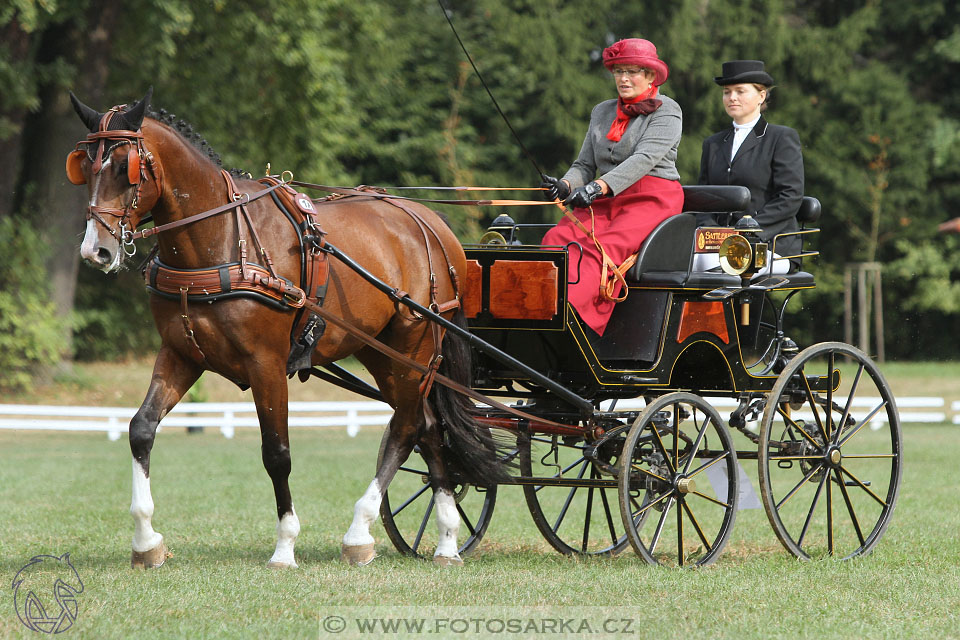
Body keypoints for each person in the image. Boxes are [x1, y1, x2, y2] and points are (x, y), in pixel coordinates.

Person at [540, 38, 684, 337]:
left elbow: (644, 160)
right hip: (605, 198)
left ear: (650, 77)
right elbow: (583, 165)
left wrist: (596, 189)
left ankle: (577, 324)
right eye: (618, 71)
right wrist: (565, 186)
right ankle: (541, 311)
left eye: (632, 71)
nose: (624, 78)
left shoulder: (668, 111)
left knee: (598, 249)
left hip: (650, 198)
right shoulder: (602, 112)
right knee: (556, 238)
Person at [697, 60, 804, 273]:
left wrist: (746, 232)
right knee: (687, 268)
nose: (732, 98)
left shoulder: (781, 138)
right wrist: (714, 234)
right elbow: (703, 198)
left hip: (770, 242)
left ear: (761, 96)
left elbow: (790, 196)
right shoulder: (713, 144)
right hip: (720, 245)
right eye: (727, 92)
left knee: (728, 269)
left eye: (740, 91)